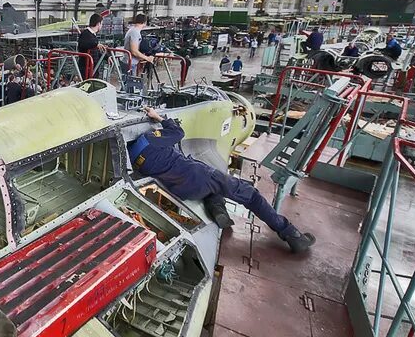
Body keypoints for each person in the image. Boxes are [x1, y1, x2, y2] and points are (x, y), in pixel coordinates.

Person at [128, 107, 316, 253]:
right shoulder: (149, 139)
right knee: (250, 195)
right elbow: (178, 133)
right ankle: (292, 235)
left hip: (182, 190)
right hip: (198, 176)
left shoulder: (137, 161)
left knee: (213, 187)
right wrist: (160, 118)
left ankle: (218, 209)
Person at [77, 13, 108, 78]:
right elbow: (84, 44)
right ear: (98, 24)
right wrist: (96, 44)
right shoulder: (85, 34)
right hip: (86, 67)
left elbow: (96, 51)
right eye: (101, 24)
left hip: (93, 66)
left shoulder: (93, 35)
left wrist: (107, 57)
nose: (101, 26)